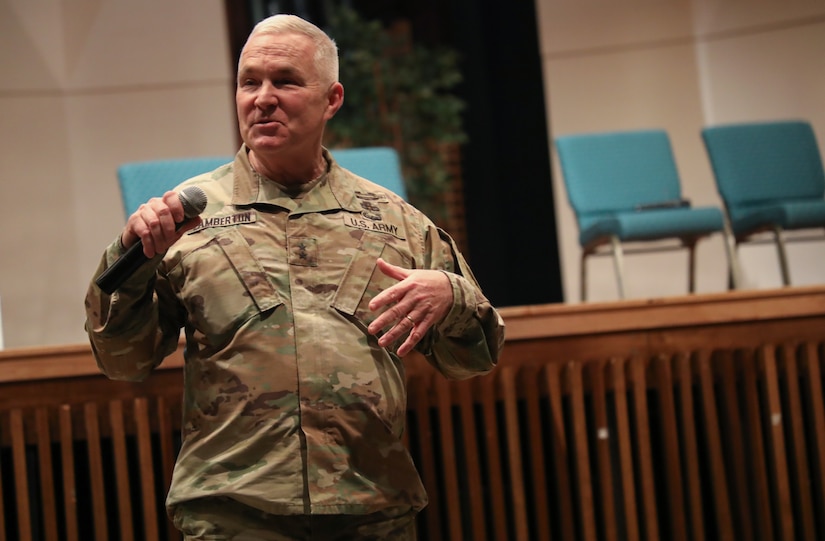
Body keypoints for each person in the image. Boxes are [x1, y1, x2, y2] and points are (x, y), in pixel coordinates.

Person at [84, 13, 504, 541]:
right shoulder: (184, 218)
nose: (262, 98)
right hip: (234, 514)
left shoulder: (394, 219)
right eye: (248, 82)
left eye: (284, 80)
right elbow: (123, 361)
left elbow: (473, 358)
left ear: (332, 99)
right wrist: (128, 258)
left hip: (371, 510)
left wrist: (453, 295)